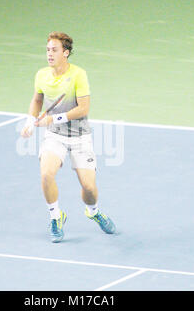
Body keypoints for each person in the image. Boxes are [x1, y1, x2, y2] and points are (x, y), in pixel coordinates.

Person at [21, 31, 116, 243]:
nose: (49, 54)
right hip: (55, 137)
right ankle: (56, 216)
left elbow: (83, 108)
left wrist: (53, 119)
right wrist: (30, 121)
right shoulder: (41, 75)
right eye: (47, 50)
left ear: (66, 53)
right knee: (46, 174)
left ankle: (93, 211)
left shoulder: (78, 75)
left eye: (54, 50)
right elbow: (37, 100)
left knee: (89, 188)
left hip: (80, 137)